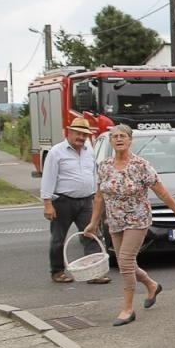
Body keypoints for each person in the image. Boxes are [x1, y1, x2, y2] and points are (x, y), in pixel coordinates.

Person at [85, 124, 175, 327]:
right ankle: (152, 285)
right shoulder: (105, 166)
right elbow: (99, 197)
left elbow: (162, 192)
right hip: (115, 221)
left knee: (124, 263)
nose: (118, 139)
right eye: (115, 136)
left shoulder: (141, 165)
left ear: (130, 140)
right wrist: (93, 223)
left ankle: (127, 309)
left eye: (122, 136)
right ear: (110, 141)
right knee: (128, 264)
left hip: (137, 220)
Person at [40, 117, 108, 285]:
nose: (81, 137)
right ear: (69, 132)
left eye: (84, 134)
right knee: (58, 238)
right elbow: (48, 177)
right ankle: (57, 272)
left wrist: (95, 194)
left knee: (90, 234)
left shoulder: (89, 150)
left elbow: (93, 173)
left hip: (85, 201)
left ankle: (94, 272)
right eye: (78, 133)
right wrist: (47, 203)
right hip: (63, 201)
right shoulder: (56, 152)